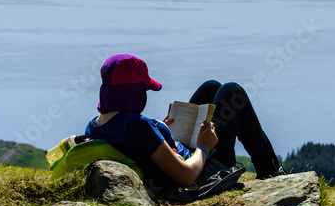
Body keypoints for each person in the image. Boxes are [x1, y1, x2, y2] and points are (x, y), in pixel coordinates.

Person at [84, 53, 283, 191]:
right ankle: (270, 170)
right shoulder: (140, 128)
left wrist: (160, 130)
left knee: (211, 88)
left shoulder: (94, 125)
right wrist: (204, 147)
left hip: (173, 156)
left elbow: (135, 140)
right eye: (143, 90)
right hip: (202, 170)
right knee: (232, 92)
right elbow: (187, 176)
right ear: (132, 94)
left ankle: (270, 167)